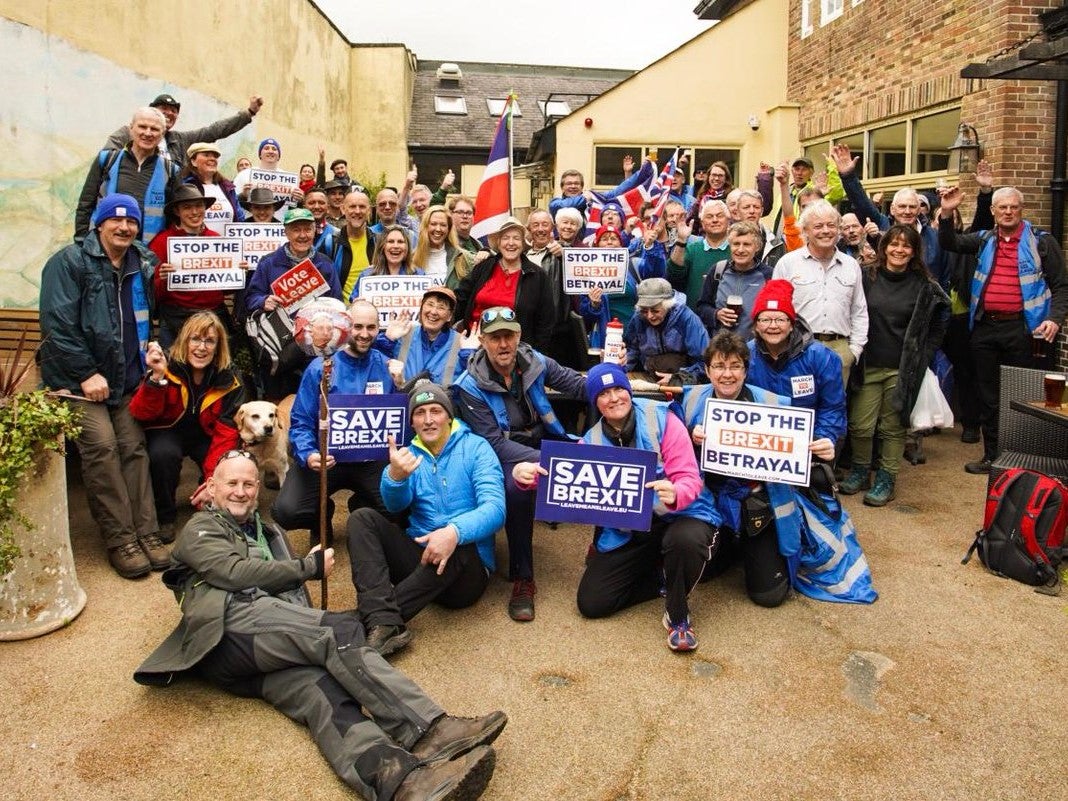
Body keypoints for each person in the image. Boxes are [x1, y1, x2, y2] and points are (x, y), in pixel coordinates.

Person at [133, 449, 505, 801]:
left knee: (322, 692)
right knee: (337, 633)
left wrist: (308, 622)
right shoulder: (201, 528)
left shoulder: (268, 533)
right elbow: (233, 572)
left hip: (248, 660)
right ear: (211, 488)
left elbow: (290, 600)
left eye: (248, 484)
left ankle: (403, 782)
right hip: (230, 627)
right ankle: (430, 730)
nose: (241, 491)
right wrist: (307, 568)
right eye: (231, 484)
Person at [39, 193, 166, 579]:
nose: (125, 227)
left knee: (134, 448)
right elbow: (57, 327)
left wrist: (151, 345)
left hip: (126, 379)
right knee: (103, 449)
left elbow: (144, 315)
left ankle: (147, 532)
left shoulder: (141, 261)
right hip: (79, 384)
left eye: (131, 222)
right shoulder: (70, 262)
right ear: (100, 224)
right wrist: (84, 373)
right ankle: (121, 539)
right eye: (116, 220)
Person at [569, 364, 721, 652]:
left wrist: (676, 492)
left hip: (682, 514)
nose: (613, 398)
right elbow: (565, 483)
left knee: (684, 541)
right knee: (592, 603)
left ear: (628, 390)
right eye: (603, 394)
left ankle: (678, 615)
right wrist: (533, 479)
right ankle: (660, 575)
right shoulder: (591, 440)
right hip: (634, 529)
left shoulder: (660, 417)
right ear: (594, 402)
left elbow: (690, 477)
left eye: (618, 389)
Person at [346, 384, 506, 655]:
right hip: (420, 558)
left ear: (449, 417)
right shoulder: (409, 454)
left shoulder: (477, 448)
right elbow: (395, 505)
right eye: (420, 413)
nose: (428, 419)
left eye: (436, 411)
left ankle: (373, 619)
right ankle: (383, 621)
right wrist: (395, 477)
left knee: (460, 543)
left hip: (465, 574)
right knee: (362, 518)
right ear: (412, 422)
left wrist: (454, 532)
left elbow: (496, 508)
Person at [453, 308, 586, 621]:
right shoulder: (469, 385)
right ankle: (523, 577)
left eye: (509, 335)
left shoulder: (535, 360)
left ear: (519, 336)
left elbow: (575, 384)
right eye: (495, 337)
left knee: (605, 465)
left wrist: (613, 387)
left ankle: (605, 548)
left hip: (542, 437)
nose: (503, 344)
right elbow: (495, 444)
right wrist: (553, 462)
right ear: (482, 341)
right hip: (503, 453)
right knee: (518, 490)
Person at [937, 184, 1068, 473]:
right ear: (993, 212)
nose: (1008, 212)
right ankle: (992, 456)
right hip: (985, 327)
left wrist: (1054, 319)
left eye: (1014, 207)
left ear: (1022, 210)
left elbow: (1061, 286)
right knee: (988, 394)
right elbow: (950, 243)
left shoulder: (1042, 242)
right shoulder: (985, 239)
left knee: (1021, 393)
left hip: (1024, 329)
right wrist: (946, 212)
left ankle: (1020, 458)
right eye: (1002, 207)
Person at [837, 225, 949, 505]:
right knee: (860, 424)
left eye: (906, 246)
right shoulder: (866, 276)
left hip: (901, 366)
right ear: (884, 246)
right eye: (894, 244)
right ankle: (861, 471)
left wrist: (926, 351)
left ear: (914, 252)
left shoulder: (924, 284)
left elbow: (942, 314)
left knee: (892, 426)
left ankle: (887, 478)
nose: (899, 250)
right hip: (868, 362)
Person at [680, 333, 791, 608]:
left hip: (755, 499)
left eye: (735, 366)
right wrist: (690, 438)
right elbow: (675, 457)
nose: (726, 374)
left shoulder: (773, 404)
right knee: (700, 573)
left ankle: (751, 544)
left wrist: (816, 447)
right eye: (719, 366)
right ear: (707, 370)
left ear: (745, 369)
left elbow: (790, 455)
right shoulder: (691, 400)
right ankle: (727, 545)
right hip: (712, 499)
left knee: (769, 595)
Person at [272, 300, 396, 545]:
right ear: (345, 326)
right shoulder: (321, 368)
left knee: (399, 507)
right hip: (326, 459)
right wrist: (308, 454)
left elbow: (402, 416)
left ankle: (362, 506)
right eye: (357, 326)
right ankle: (321, 513)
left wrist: (401, 385)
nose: (364, 334)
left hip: (369, 460)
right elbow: (300, 421)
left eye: (371, 327)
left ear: (378, 329)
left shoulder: (387, 366)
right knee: (287, 510)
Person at [129, 312, 243, 541]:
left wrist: (212, 478)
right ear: (184, 340)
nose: (202, 347)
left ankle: (213, 506)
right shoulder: (165, 364)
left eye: (209, 341)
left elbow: (227, 433)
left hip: (206, 433)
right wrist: (157, 378)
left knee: (228, 461)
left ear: (218, 346)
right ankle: (165, 516)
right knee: (163, 454)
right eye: (195, 339)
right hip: (168, 429)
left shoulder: (230, 379)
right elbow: (140, 413)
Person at [245, 208, 342, 398]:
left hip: (314, 348)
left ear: (314, 231)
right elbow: (250, 299)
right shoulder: (269, 263)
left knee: (313, 400)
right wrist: (264, 300)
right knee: (278, 401)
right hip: (280, 349)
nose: (302, 235)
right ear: (286, 232)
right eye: (296, 230)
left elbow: (336, 303)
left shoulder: (325, 264)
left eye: (307, 229)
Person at [745, 279, 845, 463]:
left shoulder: (821, 357)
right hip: (758, 445)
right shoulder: (744, 356)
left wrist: (824, 437)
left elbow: (832, 407)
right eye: (765, 319)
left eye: (780, 319)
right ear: (756, 327)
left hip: (806, 445)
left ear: (792, 324)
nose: (773, 325)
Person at [772, 201, 868, 388]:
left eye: (831, 225)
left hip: (839, 350)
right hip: (798, 349)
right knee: (800, 408)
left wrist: (854, 351)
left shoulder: (851, 265)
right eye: (818, 226)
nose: (826, 230)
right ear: (805, 231)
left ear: (839, 230)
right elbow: (775, 311)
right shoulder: (788, 263)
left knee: (834, 408)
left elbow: (859, 310)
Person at [831, 142, 948, 287]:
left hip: (924, 304)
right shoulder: (882, 224)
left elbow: (944, 278)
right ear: (892, 209)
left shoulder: (935, 237)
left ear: (919, 210)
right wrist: (848, 176)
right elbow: (861, 202)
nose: (907, 211)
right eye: (902, 206)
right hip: (889, 299)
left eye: (912, 207)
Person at [76, 106, 182, 244]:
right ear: (131, 129)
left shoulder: (171, 170)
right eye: (142, 126)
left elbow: (174, 217)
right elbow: (86, 204)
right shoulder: (107, 160)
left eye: (155, 129)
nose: (148, 133)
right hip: (104, 247)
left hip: (148, 253)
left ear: (162, 134)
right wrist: (81, 242)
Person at [454, 217, 554, 353]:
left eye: (516, 238)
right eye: (506, 238)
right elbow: (460, 298)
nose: (511, 243)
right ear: (499, 242)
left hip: (515, 351)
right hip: (475, 345)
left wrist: (534, 356)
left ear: (523, 243)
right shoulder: (483, 267)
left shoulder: (537, 276)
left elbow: (545, 322)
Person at [149, 184, 230, 347]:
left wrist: (236, 272)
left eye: (199, 206)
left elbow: (225, 288)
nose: (194, 212)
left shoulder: (217, 240)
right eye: (187, 207)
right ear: (177, 211)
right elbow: (151, 294)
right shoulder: (161, 242)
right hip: (176, 323)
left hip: (213, 319)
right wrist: (162, 279)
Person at [104, 92, 263, 167]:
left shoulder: (179, 140)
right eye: (164, 108)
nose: (169, 113)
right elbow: (105, 162)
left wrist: (249, 113)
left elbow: (214, 131)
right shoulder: (128, 133)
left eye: (174, 111)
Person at [379, 286, 473, 387]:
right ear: (421, 307)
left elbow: (472, 382)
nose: (433, 312)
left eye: (441, 307)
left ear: (449, 316)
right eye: (430, 304)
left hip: (445, 401)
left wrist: (468, 355)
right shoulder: (403, 334)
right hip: (403, 401)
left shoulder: (462, 344)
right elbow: (377, 365)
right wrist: (387, 340)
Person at [623, 277, 709, 383]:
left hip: (684, 378)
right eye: (644, 311)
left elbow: (704, 362)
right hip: (650, 374)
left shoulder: (687, 319)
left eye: (655, 311)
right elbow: (631, 351)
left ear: (668, 306)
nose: (650, 316)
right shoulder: (638, 318)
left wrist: (677, 378)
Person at [697, 221, 769, 341]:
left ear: (757, 247)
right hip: (720, 347)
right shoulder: (718, 270)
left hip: (754, 350)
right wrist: (716, 314)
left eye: (746, 244)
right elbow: (702, 306)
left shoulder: (768, 275)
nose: (740, 250)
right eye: (736, 244)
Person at [668, 200, 731, 309]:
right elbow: (673, 276)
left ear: (728, 221)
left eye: (719, 216)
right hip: (696, 319)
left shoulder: (737, 250)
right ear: (702, 223)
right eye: (709, 217)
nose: (715, 220)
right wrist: (681, 240)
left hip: (729, 317)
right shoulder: (692, 249)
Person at [180, 142, 244, 233]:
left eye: (215, 156)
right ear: (193, 161)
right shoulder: (185, 187)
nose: (212, 159)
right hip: (197, 245)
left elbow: (239, 217)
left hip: (228, 245)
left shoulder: (227, 187)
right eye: (206, 155)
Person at [234, 138, 304, 219]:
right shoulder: (244, 175)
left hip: (279, 225)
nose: (270, 151)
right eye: (266, 148)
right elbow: (233, 202)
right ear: (260, 154)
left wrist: (300, 200)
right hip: (251, 225)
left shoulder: (289, 180)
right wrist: (243, 196)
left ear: (278, 156)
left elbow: (293, 207)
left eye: (274, 149)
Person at [353, 225, 424, 300]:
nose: (396, 246)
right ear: (382, 247)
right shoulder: (367, 276)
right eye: (390, 241)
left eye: (400, 242)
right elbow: (354, 302)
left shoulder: (419, 275)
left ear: (407, 248)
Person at [410, 205, 472, 287]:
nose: (438, 229)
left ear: (448, 229)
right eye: (433, 224)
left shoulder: (462, 257)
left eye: (443, 225)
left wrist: (486, 252)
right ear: (425, 226)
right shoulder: (411, 259)